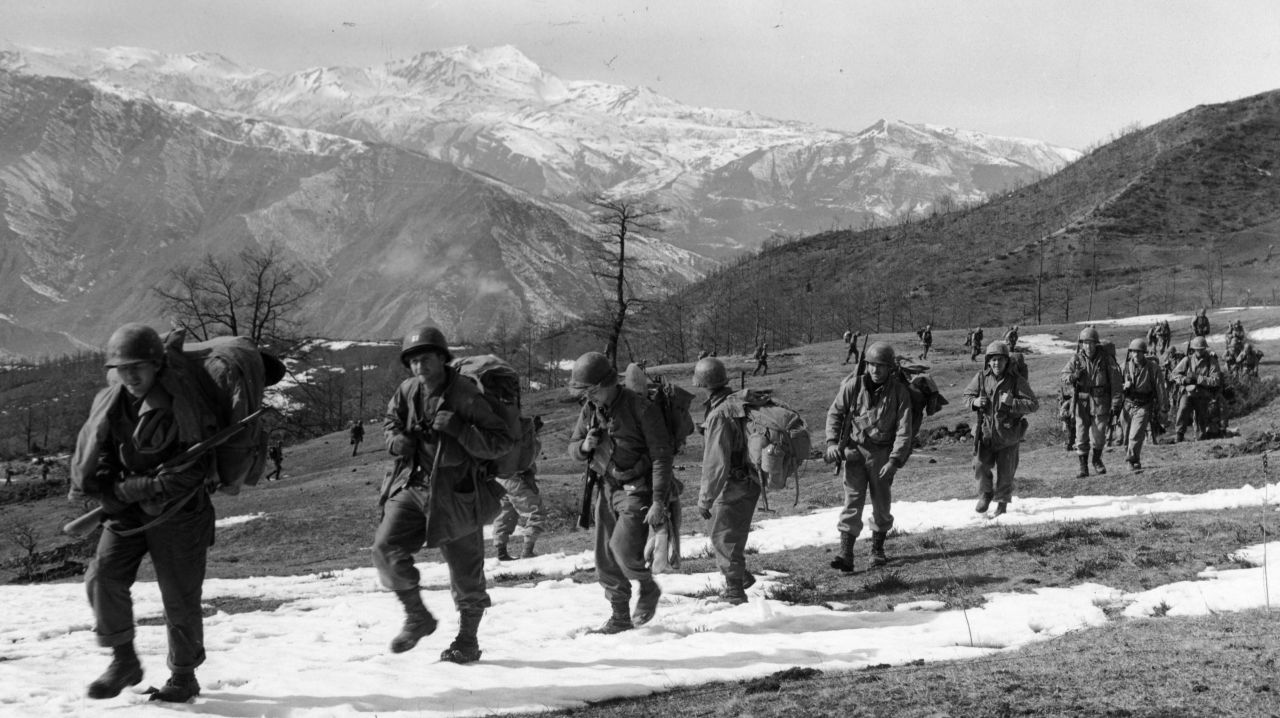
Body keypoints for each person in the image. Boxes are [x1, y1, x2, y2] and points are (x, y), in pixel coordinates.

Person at [70, 323, 218, 703]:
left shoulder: (183, 402)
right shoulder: (110, 401)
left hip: (180, 514)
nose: (131, 375)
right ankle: (124, 661)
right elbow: (100, 453)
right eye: (123, 368)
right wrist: (114, 488)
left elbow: (197, 468)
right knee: (102, 576)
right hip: (125, 511)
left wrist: (152, 486)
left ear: (156, 365)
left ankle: (183, 676)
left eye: (139, 366)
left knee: (179, 598)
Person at [374, 324, 515, 663]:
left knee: (467, 574)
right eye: (412, 361)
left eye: (425, 359)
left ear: (441, 358)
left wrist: (460, 429)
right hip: (412, 486)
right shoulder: (407, 391)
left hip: (457, 493)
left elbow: (501, 442)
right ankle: (417, 616)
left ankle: (467, 641)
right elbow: (389, 422)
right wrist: (397, 441)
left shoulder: (466, 395)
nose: (418, 367)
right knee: (385, 547)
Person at [566, 351, 675, 633]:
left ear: (609, 383)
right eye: (585, 391)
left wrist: (658, 502)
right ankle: (619, 617)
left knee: (623, 550)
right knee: (604, 559)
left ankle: (648, 587)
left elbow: (661, 457)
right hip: (605, 487)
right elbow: (573, 447)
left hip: (637, 490)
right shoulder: (590, 410)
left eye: (592, 390)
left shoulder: (641, 409)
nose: (589, 396)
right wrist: (584, 447)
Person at [824, 341, 912, 571]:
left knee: (881, 504)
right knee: (852, 502)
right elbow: (835, 413)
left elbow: (904, 430)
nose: (875, 370)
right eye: (872, 365)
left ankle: (877, 550)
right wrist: (832, 442)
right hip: (855, 451)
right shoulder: (853, 386)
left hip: (882, 454)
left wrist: (894, 460)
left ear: (890, 368)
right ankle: (846, 554)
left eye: (881, 366)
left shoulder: (899, 392)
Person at [692, 357, 760, 605]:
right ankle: (739, 577)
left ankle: (734, 591)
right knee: (729, 534)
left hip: (733, 483)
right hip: (748, 479)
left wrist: (705, 499)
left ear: (702, 383)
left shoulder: (719, 413)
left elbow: (715, 463)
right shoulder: (734, 402)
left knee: (724, 536)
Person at [962, 341, 1039, 517]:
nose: (997, 363)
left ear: (1006, 361)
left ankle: (1002, 504)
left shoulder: (1016, 380)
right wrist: (974, 402)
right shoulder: (981, 377)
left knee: (1006, 472)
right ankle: (986, 494)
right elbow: (966, 395)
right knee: (980, 466)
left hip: (1008, 433)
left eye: (1000, 360)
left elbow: (1033, 405)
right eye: (993, 360)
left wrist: (1013, 403)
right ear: (988, 361)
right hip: (986, 432)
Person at [1060, 326, 1123, 478]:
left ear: (1096, 343)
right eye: (1085, 343)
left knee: (1099, 435)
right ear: (1081, 344)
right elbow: (1063, 375)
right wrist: (1073, 376)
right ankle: (1083, 467)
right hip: (1082, 403)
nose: (1088, 346)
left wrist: (1115, 403)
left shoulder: (1106, 360)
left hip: (1101, 402)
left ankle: (1096, 460)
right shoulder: (1076, 359)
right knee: (1081, 436)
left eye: (1091, 343)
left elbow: (1115, 382)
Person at [493, 417, 548, 561]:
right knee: (536, 512)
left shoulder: (505, 433)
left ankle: (501, 551)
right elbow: (529, 458)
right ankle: (527, 550)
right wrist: (534, 436)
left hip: (500, 479)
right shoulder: (528, 439)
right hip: (518, 479)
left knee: (505, 514)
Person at [1121, 338, 1165, 471]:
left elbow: (1160, 389)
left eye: (1139, 352)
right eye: (1133, 351)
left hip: (1144, 405)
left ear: (1144, 353)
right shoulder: (1124, 367)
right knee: (1125, 435)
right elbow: (1115, 386)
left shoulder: (1153, 368)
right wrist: (1124, 386)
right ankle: (1135, 458)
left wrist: (1163, 408)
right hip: (1127, 404)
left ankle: (1131, 459)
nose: (1136, 354)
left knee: (1136, 433)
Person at [1172, 336, 1223, 441]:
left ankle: (1200, 436)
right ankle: (1179, 434)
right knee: (1183, 409)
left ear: (1205, 348)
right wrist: (1184, 380)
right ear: (1193, 349)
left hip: (1203, 394)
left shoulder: (1211, 361)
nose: (1200, 351)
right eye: (1197, 349)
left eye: (1202, 349)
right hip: (1188, 392)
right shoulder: (1187, 360)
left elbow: (1215, 380)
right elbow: (1174, 374)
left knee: (1202, 418)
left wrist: (1198, 378)